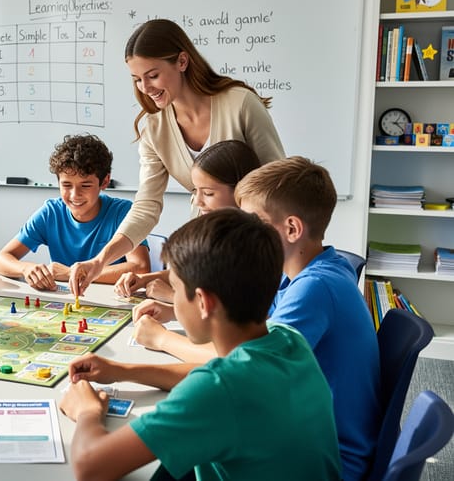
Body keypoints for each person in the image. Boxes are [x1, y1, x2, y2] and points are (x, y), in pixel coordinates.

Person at [135, 157, 380, 481]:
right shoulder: (313, 271)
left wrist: (161, 339)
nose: (242, 231)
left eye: (253, 221)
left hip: (328, 461)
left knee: (172, 456)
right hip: (306, 437)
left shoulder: (314, 288)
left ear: (291, 228)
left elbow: (237, 362)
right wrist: (182, 309)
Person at [59, 209, 341, 481]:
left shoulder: (219, 390)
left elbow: (90, 467)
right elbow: (210, 371)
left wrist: (87, 411)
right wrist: (122, 370)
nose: (174, 300)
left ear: (204, 303)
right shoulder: (288, 339)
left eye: (176, 289)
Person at [69, 18, 285, 297]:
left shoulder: (240, 104)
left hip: (255, 246)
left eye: (153, 75)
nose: (145, 87)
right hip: (206, 243)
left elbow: (277, 184)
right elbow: (147, 205)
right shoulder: (154, 128)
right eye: (137, 79)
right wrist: (100, 261)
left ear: (182, 61)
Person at [114, 140, 261, 321]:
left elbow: (232, 312)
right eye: (194, 191)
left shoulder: (249, 245)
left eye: (207, 193)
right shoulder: (214, 231)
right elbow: (194, 274)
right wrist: (144, 279)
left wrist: (172, 297)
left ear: (240, 191)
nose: (198, 202)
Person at [0, 134, 150, 290]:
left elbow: (141, 267)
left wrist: (69, 274)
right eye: (66, 185)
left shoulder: (122, 212)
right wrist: (25, 269)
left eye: (85, 185)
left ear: (105, 181)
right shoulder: (51, 213)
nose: (75, 195)